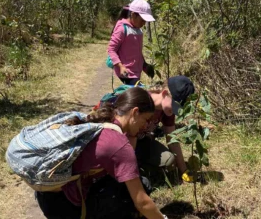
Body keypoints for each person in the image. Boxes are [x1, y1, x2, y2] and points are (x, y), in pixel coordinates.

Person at [35, 88, 167, 219]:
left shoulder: (101, 120)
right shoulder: (118, 145)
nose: (146, 126)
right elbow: (142, 202)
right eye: (146, 119)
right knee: (139, 187)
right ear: (135, 112)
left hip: (47, 196)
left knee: (129, 182)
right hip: (67, 208)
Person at [131, 76, 196, 183]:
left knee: (169, 159)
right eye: (175, 106)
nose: (175, 112)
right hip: (125, 142)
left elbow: (172, 140)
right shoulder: (141, 101)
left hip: (142, 143)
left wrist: (184, 170)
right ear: (165, 93)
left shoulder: (167, 110)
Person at [107, 0, 155, 85]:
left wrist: (145, 66)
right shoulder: (122, 29)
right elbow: (111, 49)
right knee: (139, 92)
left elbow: (137, 52)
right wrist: (120, 67)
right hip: (127, 73)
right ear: (133, 15)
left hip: (136, 72)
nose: (144, 23)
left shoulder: (138, 30)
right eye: (142, 20)